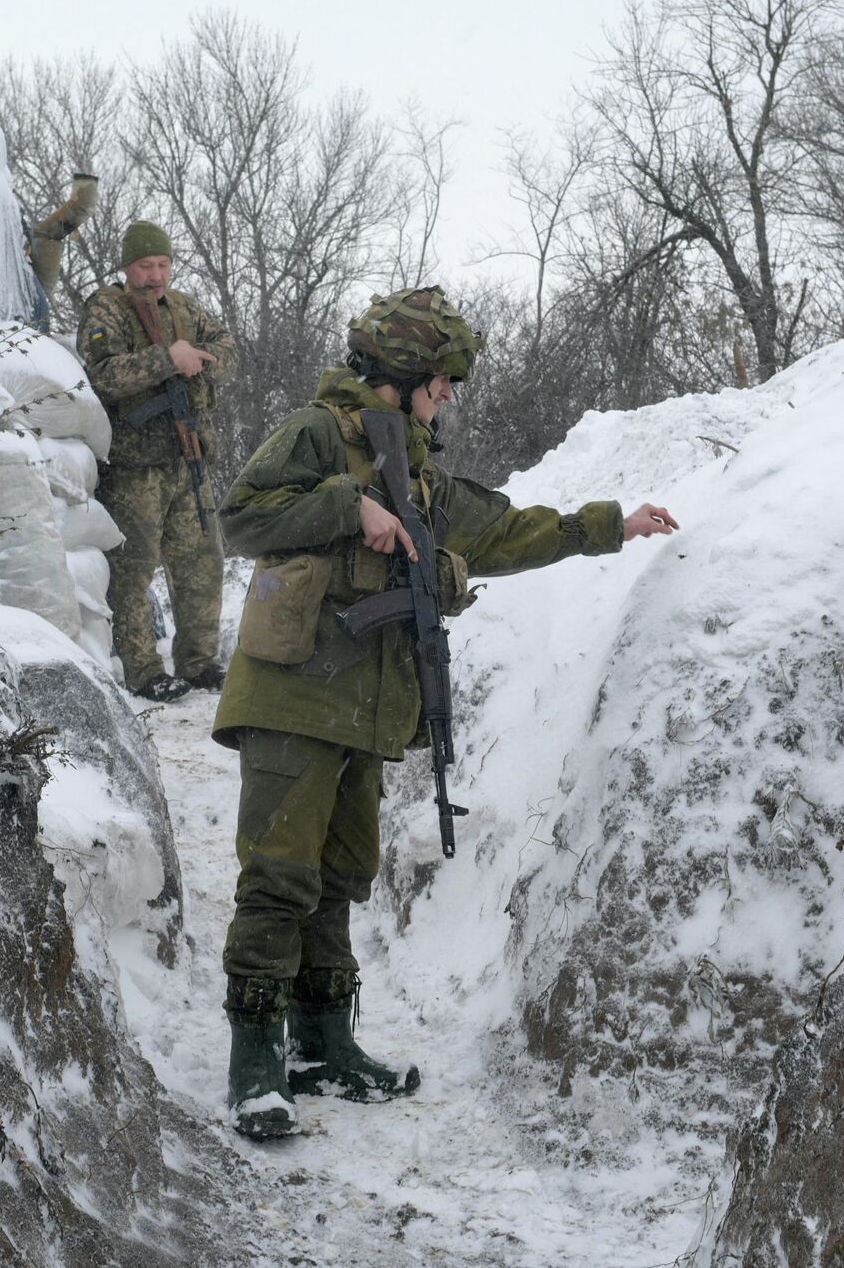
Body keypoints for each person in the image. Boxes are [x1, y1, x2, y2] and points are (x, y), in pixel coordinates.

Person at [208, 286, 680, 1139]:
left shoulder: (416, 469)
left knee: (338, 880)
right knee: (278, 879)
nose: (451, 395)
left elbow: (504, 532)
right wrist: (348, 508)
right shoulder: (318, 434)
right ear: (404, 374)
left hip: (364, 706)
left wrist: (612, 524)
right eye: (443, 379)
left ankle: (323, 1045)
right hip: (292, 697)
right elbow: (239, 516)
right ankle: (254, 1064)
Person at [77, 220, 238, 701]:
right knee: (133, 569)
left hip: (188, 456)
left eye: (164, 264)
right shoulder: (106, 308)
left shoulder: (185, 308)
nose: (156, 275)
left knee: (201, 561)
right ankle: (141, 669)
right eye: (146, 265)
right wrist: (167, 359)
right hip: (134, 466)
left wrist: (199, 357)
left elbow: (228, 349)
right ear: (128, 266)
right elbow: (102, 374)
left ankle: (199, 661)